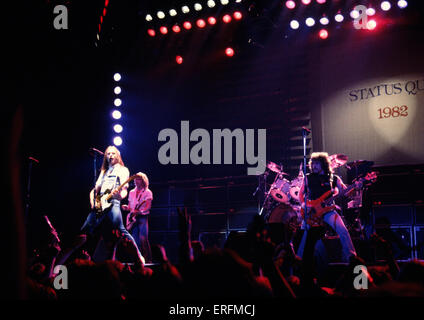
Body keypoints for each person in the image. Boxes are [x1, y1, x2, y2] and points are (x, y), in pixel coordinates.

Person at [57, 146, 145, 267]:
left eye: (113, 153)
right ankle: (61, 262)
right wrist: (93, 202)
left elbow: (124, 190)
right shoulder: (104, 171)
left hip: (113, 201)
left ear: (118, 155)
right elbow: (94, 190)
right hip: (100, 203)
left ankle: (138, 256)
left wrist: (119, 195)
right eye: (108, 154)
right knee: (83, 232)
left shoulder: (123, 170)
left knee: (121, 230)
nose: (110, 156)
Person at [297, 152, 357, 264]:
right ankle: (298, 260)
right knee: (304, 234)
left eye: (316, 164)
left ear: (324, 164)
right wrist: (303, 205)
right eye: (312, 164)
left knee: (343, 230)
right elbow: (300, 194)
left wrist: (355, 187)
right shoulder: (308, 178)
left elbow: (346, 192)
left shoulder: (334, 178)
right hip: (311, 212)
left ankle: (351, 257)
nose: (313, 166)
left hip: (328, 210)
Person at [122, 172, 153, 263]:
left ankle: (148, 259)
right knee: (135, 240)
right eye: (135, 179)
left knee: (143, 238)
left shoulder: (148, 192)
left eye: (138, 179)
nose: (136, 181)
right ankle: (138, 259)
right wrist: (126, 208)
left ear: (143, 181)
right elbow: (131, 206)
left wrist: (140, 211)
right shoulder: (131, 192)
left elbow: (148, 206)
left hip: (143, 217)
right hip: (133, 218)